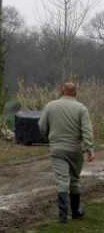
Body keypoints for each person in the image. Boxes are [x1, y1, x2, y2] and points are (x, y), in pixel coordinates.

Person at [39, 82, 96, 223]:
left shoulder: (50, 106)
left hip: (57, 148)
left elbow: (41, 126)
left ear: (62, 91)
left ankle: (63, 215)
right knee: (75, 180)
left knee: (61, 180)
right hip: (75, 149)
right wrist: (90, 149)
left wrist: (48, 138)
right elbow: (87, 131)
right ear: (75, 93)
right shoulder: (81, 108)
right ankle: (76, 212)